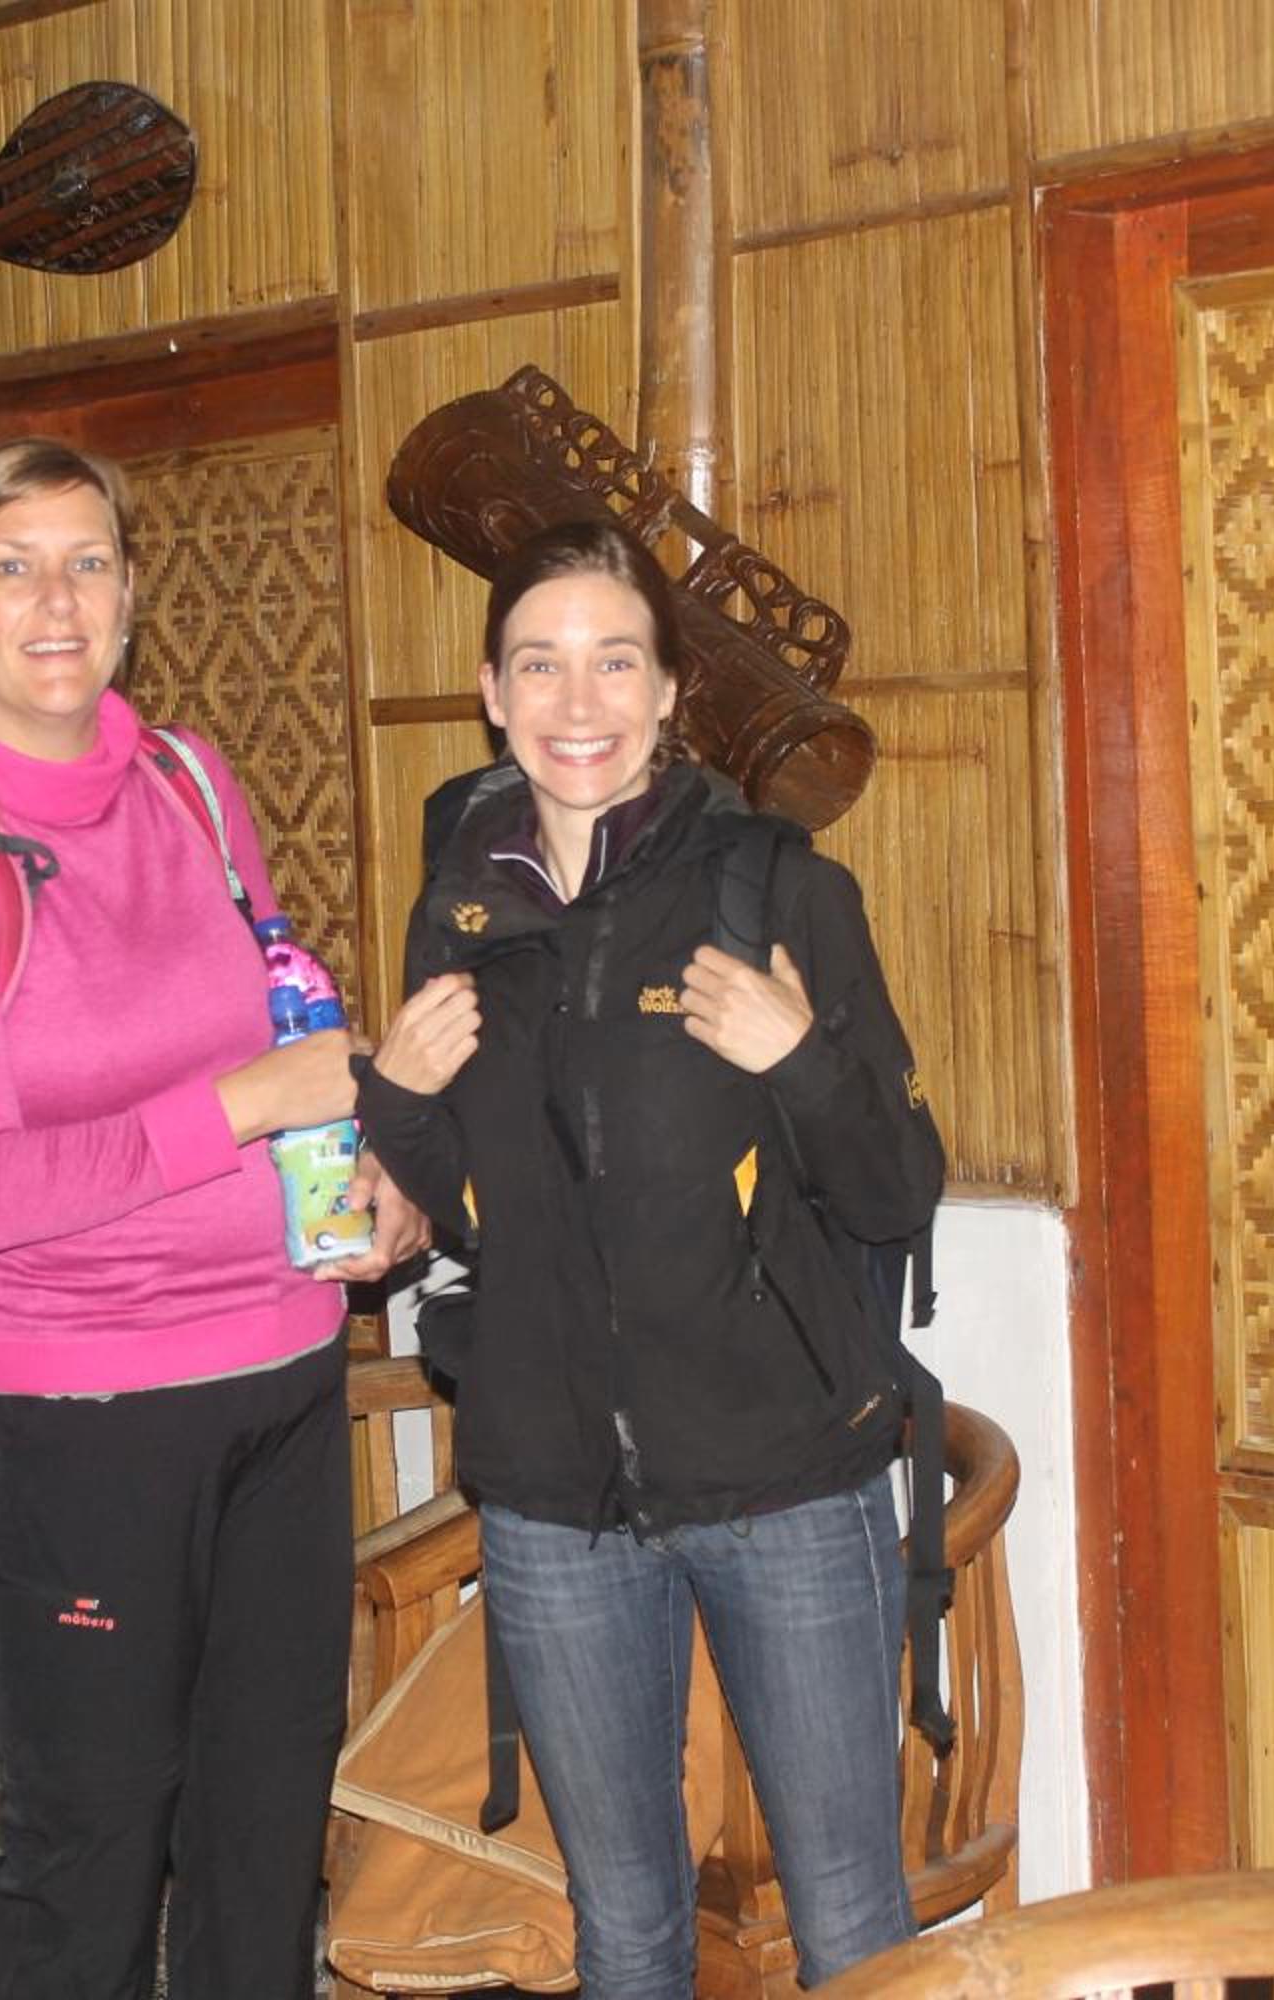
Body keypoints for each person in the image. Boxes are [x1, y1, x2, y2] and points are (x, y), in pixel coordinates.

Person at [0, 437, 427, 1998]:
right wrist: (248, 1104)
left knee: (265, 1846)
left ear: (132, 596)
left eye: (87, 563)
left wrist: (372, 1182)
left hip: (281, 1379)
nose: (56, 601)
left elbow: (282, 1018)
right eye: (13, 568)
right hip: (80, 1424)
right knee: (94, 1865)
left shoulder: (193, 787)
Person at [358, 518, 945, 1995]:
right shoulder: (461, 907)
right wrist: (395, 1104)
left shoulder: (775, 889)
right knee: (621, 1922)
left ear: (673, 689)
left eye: (615, 662)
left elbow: (895, 1187)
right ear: (492, 691)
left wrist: (798, 1055)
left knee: (850, 1921)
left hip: (784, 1483)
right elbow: (470, 1211)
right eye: (540, 664)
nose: (579, 701)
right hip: (555, 1499)